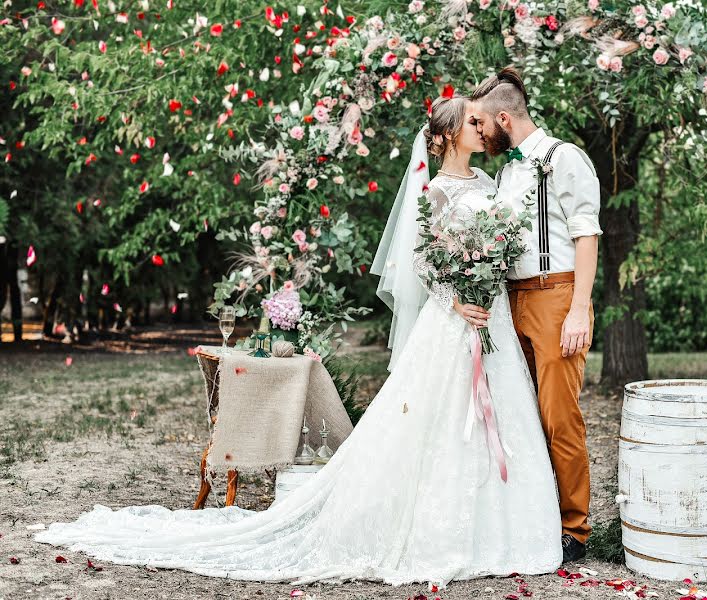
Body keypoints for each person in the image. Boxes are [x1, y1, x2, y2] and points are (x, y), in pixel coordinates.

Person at [34, 96, 564, 588]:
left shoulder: (490, 184)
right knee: (439, 421)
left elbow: (500, 243)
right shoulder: (434, 192)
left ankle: (500, 528)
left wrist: (485, 283)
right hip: (453, 322)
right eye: (471, 121)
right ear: (448, 134)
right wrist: (456, 300)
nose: (482, 127)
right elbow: (424, 263)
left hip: (489, 319)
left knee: (496, 416)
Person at [471, 67, 603, 563]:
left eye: (484, 124)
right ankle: (536, 518)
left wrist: (578, 310)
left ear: (505, 117)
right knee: (521, 415)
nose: (480, 134)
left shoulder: (563, 158)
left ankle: (576, 530)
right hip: (511, 302)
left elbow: (586, 234)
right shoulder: (505, 173)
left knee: (558, 416)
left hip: (555, 298)